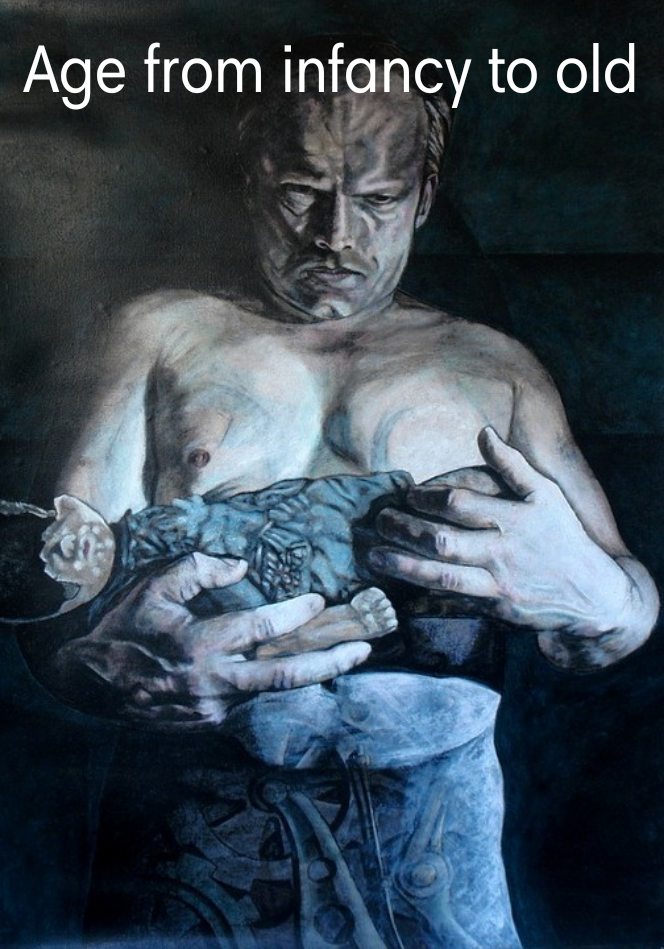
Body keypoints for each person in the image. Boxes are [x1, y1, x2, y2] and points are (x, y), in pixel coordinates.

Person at [17, 34, 658, 947]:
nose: (336, 236)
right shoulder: (159, 336)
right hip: (194, 834)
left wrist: (593, 591)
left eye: (379, 199)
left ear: (424, 198)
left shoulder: (499, 371)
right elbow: (59, 582)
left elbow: (622, 609)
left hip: (434, 845)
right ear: (250, 182)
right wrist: (98, 668)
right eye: (300, 191)